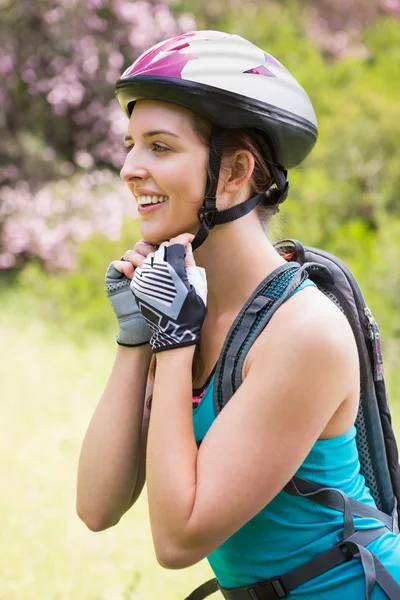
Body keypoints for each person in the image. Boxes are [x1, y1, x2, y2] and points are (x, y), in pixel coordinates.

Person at [76, 31, 400, 599]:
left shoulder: (302, 332)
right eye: (130, 144)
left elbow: (178, 541)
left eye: (159, 146)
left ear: (234, 172)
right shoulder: (188, 303)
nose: (129, 167)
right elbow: (97, 507)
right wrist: (137, 339)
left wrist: (174, 341)